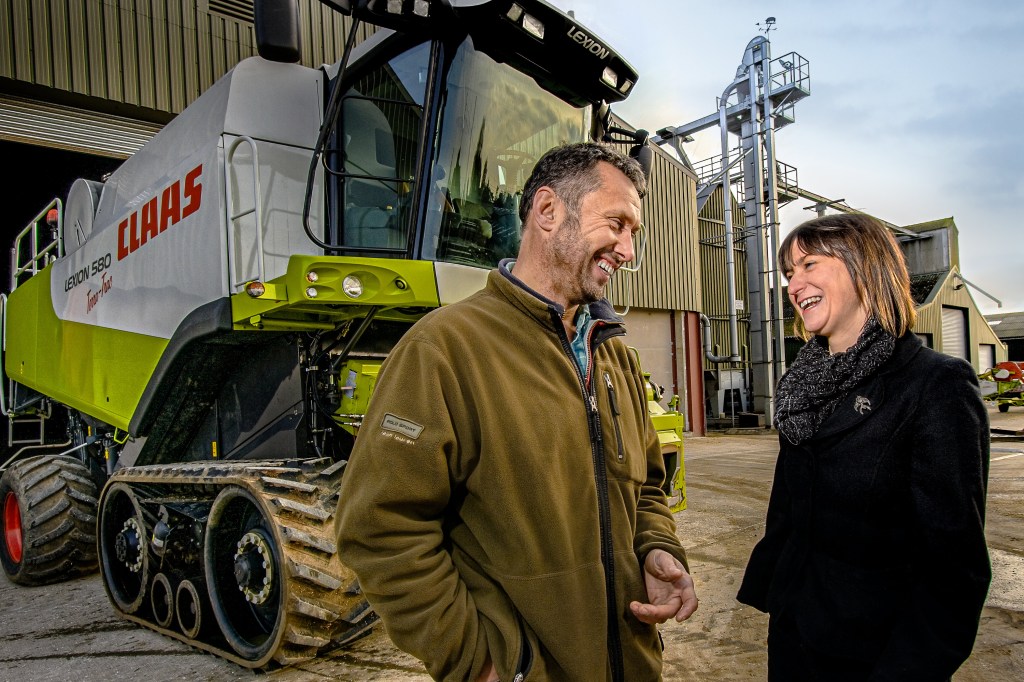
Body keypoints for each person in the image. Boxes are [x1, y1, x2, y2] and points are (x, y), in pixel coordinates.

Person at [337, 142, 698, 682]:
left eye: (634, 235)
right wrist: (481, 663)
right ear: (549, 212)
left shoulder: (614, 354)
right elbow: (380, 530)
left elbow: (645, 487)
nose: (627, 250)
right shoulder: (444, 349)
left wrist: (655, 550)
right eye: (617, 224)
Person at [737, 213, 991, 680]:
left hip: (876, 652)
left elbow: (955, 568)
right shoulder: (800, 387)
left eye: (810, 264)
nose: (794, 285)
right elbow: (790, 512)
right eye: (790, 273)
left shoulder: (934, 384)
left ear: (865, 268)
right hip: (796, 633)